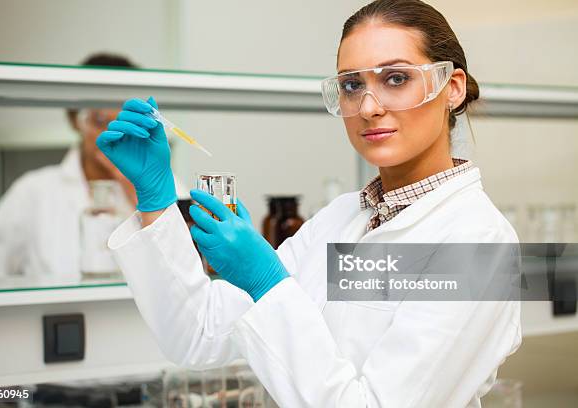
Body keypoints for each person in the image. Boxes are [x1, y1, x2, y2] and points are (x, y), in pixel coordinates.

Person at [99, 1, 521, 406]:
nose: (369, 108)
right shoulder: (341, 218)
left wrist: (267, 284)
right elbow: (196, 336)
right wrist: (155, 197)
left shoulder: (479, 245)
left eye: (396, 78)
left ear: (452, 89)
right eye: (353, 85)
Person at [0, 53, 187, 279]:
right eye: (100, 122)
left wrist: (136, 188)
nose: (114, 135)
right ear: (75, 121)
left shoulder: (163, 184)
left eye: (124, 123)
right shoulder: (33, 191)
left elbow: (188, 259)